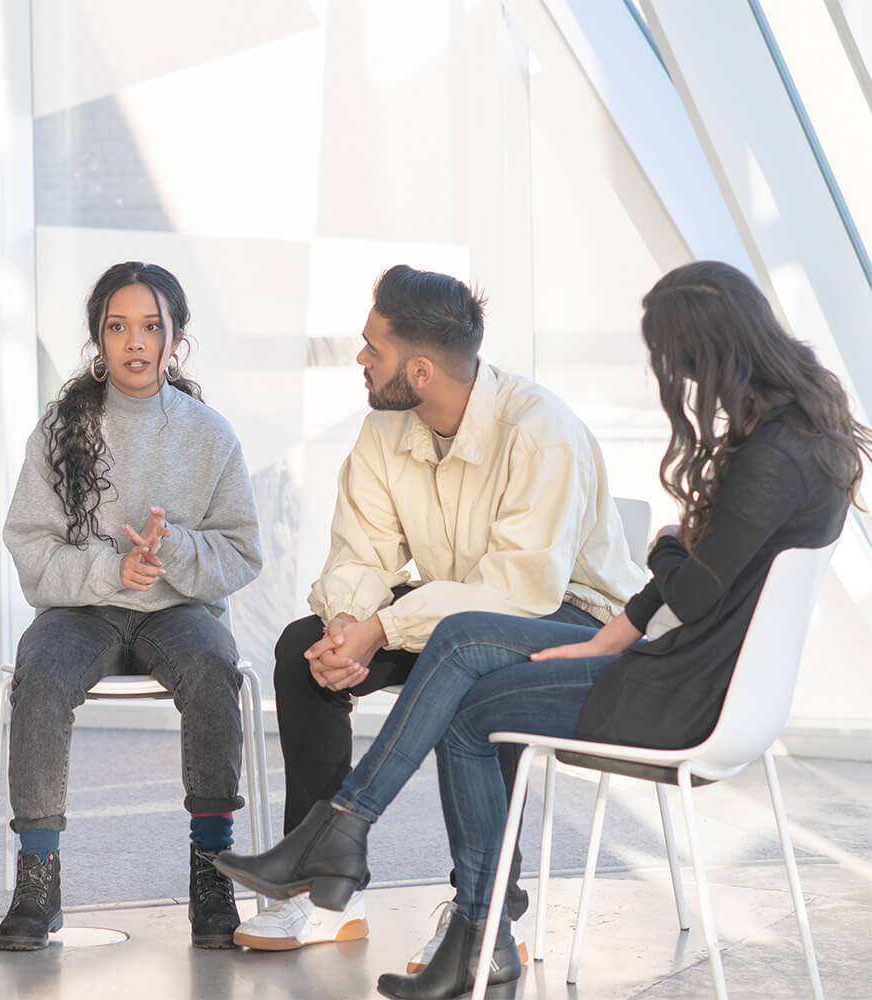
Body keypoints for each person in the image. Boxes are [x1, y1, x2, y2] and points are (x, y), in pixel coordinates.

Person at [215, 260, 868, 999]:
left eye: (674, 360)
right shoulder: (789, 444)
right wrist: (348, 626)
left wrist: (658, 555)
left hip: (623, 651)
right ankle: (443, 912)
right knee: (351, 655)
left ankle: (375, 854)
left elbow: (655, 585)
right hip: (636, 655)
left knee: (465, 651)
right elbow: (364, 554)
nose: (672, 380)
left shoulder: (748, 454)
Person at [235, 264, 646, 956]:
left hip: (570, 617)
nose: (360, 361)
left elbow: (519, 592)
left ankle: (484, 909)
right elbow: (360, 554)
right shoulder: (385, 429)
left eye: (374, 349)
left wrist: (383, 628)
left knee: (485, 671)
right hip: (450, 610)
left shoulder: (540, 432)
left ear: (420, 370)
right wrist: (344, 626)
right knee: (302, 650)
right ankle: (328, 889)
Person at [0, 261, 264, 950]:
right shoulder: (62, 429)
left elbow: (240, 555)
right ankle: (38, 875)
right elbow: (30, 547)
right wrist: (115, 568)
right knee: (42, 672)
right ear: (99, 338)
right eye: (118, 326)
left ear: (176, 339)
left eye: (151, 326)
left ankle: (212, 869)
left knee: (212, 668)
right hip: (83, 608)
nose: (135, 342)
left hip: (178, 611)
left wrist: (168, 550)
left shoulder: (210, 435)